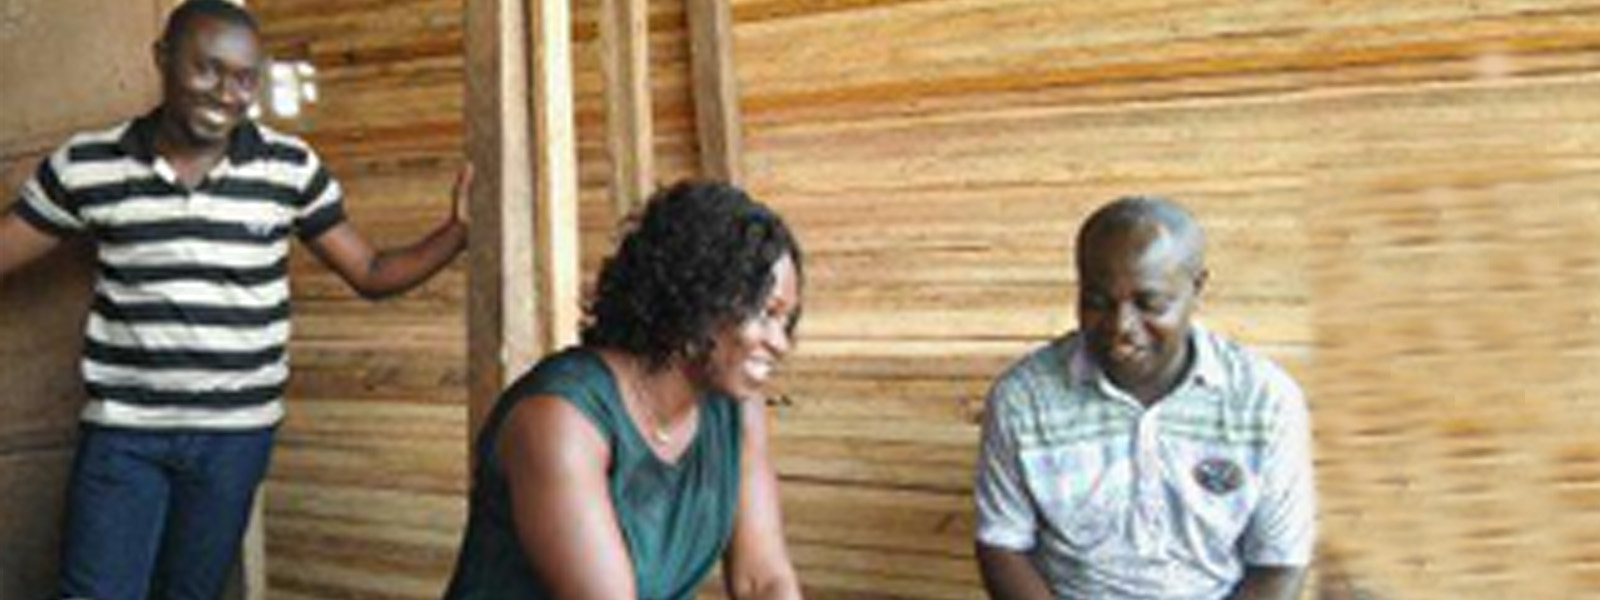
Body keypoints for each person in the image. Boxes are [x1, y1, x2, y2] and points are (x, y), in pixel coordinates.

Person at [0, 1, 469, 598]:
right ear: (162, 59)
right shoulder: (89, 164)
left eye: (245, 78)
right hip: (125, 436)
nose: (226, 93)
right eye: (207, 69)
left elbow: (371, 272)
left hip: (234, 440)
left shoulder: (289, 168)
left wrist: (457, 233)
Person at [443, 181, 804, 600]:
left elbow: (763, 580)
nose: (781, 343)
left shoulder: (737, 409)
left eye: (786, 320)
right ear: (698, 297)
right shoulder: (560, 419)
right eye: (765, 313)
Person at [973, 197, 1315, 600]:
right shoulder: (1024, 400)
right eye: (1097, 302)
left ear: (1197, 288)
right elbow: (1001, 545)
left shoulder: (1264, 400)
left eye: (1150, 303)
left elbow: (1279, 564)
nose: (1121, 327)